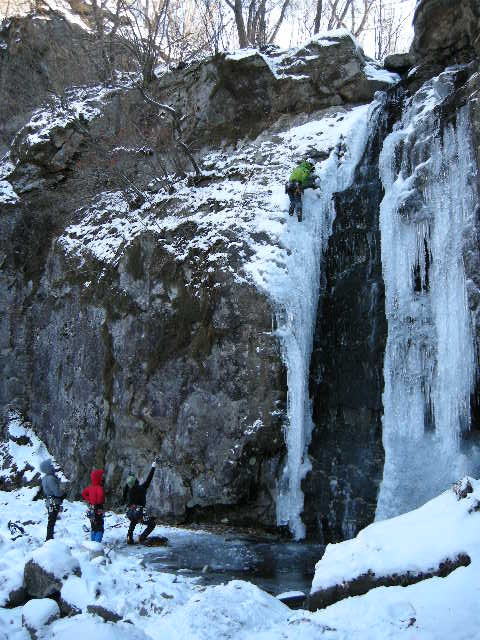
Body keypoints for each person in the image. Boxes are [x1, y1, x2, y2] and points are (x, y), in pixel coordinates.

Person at [123, 457, 158, 545]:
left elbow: (124, 499)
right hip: (138, 513)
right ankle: (142, 537)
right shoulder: (142, 488)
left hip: (130, 512)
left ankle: (129, 536)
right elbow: (149, 478)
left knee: (133, 521)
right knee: (152, 524)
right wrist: (153, 467)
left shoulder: (128, 489)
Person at [40, 459, 65, 541]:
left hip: (49, 502)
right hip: (54, 502)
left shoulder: (44, 478)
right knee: (52, 521)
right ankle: (49, 538)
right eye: (50, 465)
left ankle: (49, 537)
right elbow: (57, 492)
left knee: (51, 520)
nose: (52, 467)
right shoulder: (51, 478)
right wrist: (63, 493)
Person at [82, 469, 105, 543]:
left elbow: (84, 493)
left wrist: (89, 499)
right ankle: (97, 543)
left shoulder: (90, 487)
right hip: (99, 508)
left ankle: (92, 541)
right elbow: (100, 496)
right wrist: (99, 501)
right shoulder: (99, 488)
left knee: (93, 525)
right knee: (99, 526)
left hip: (91, 507)